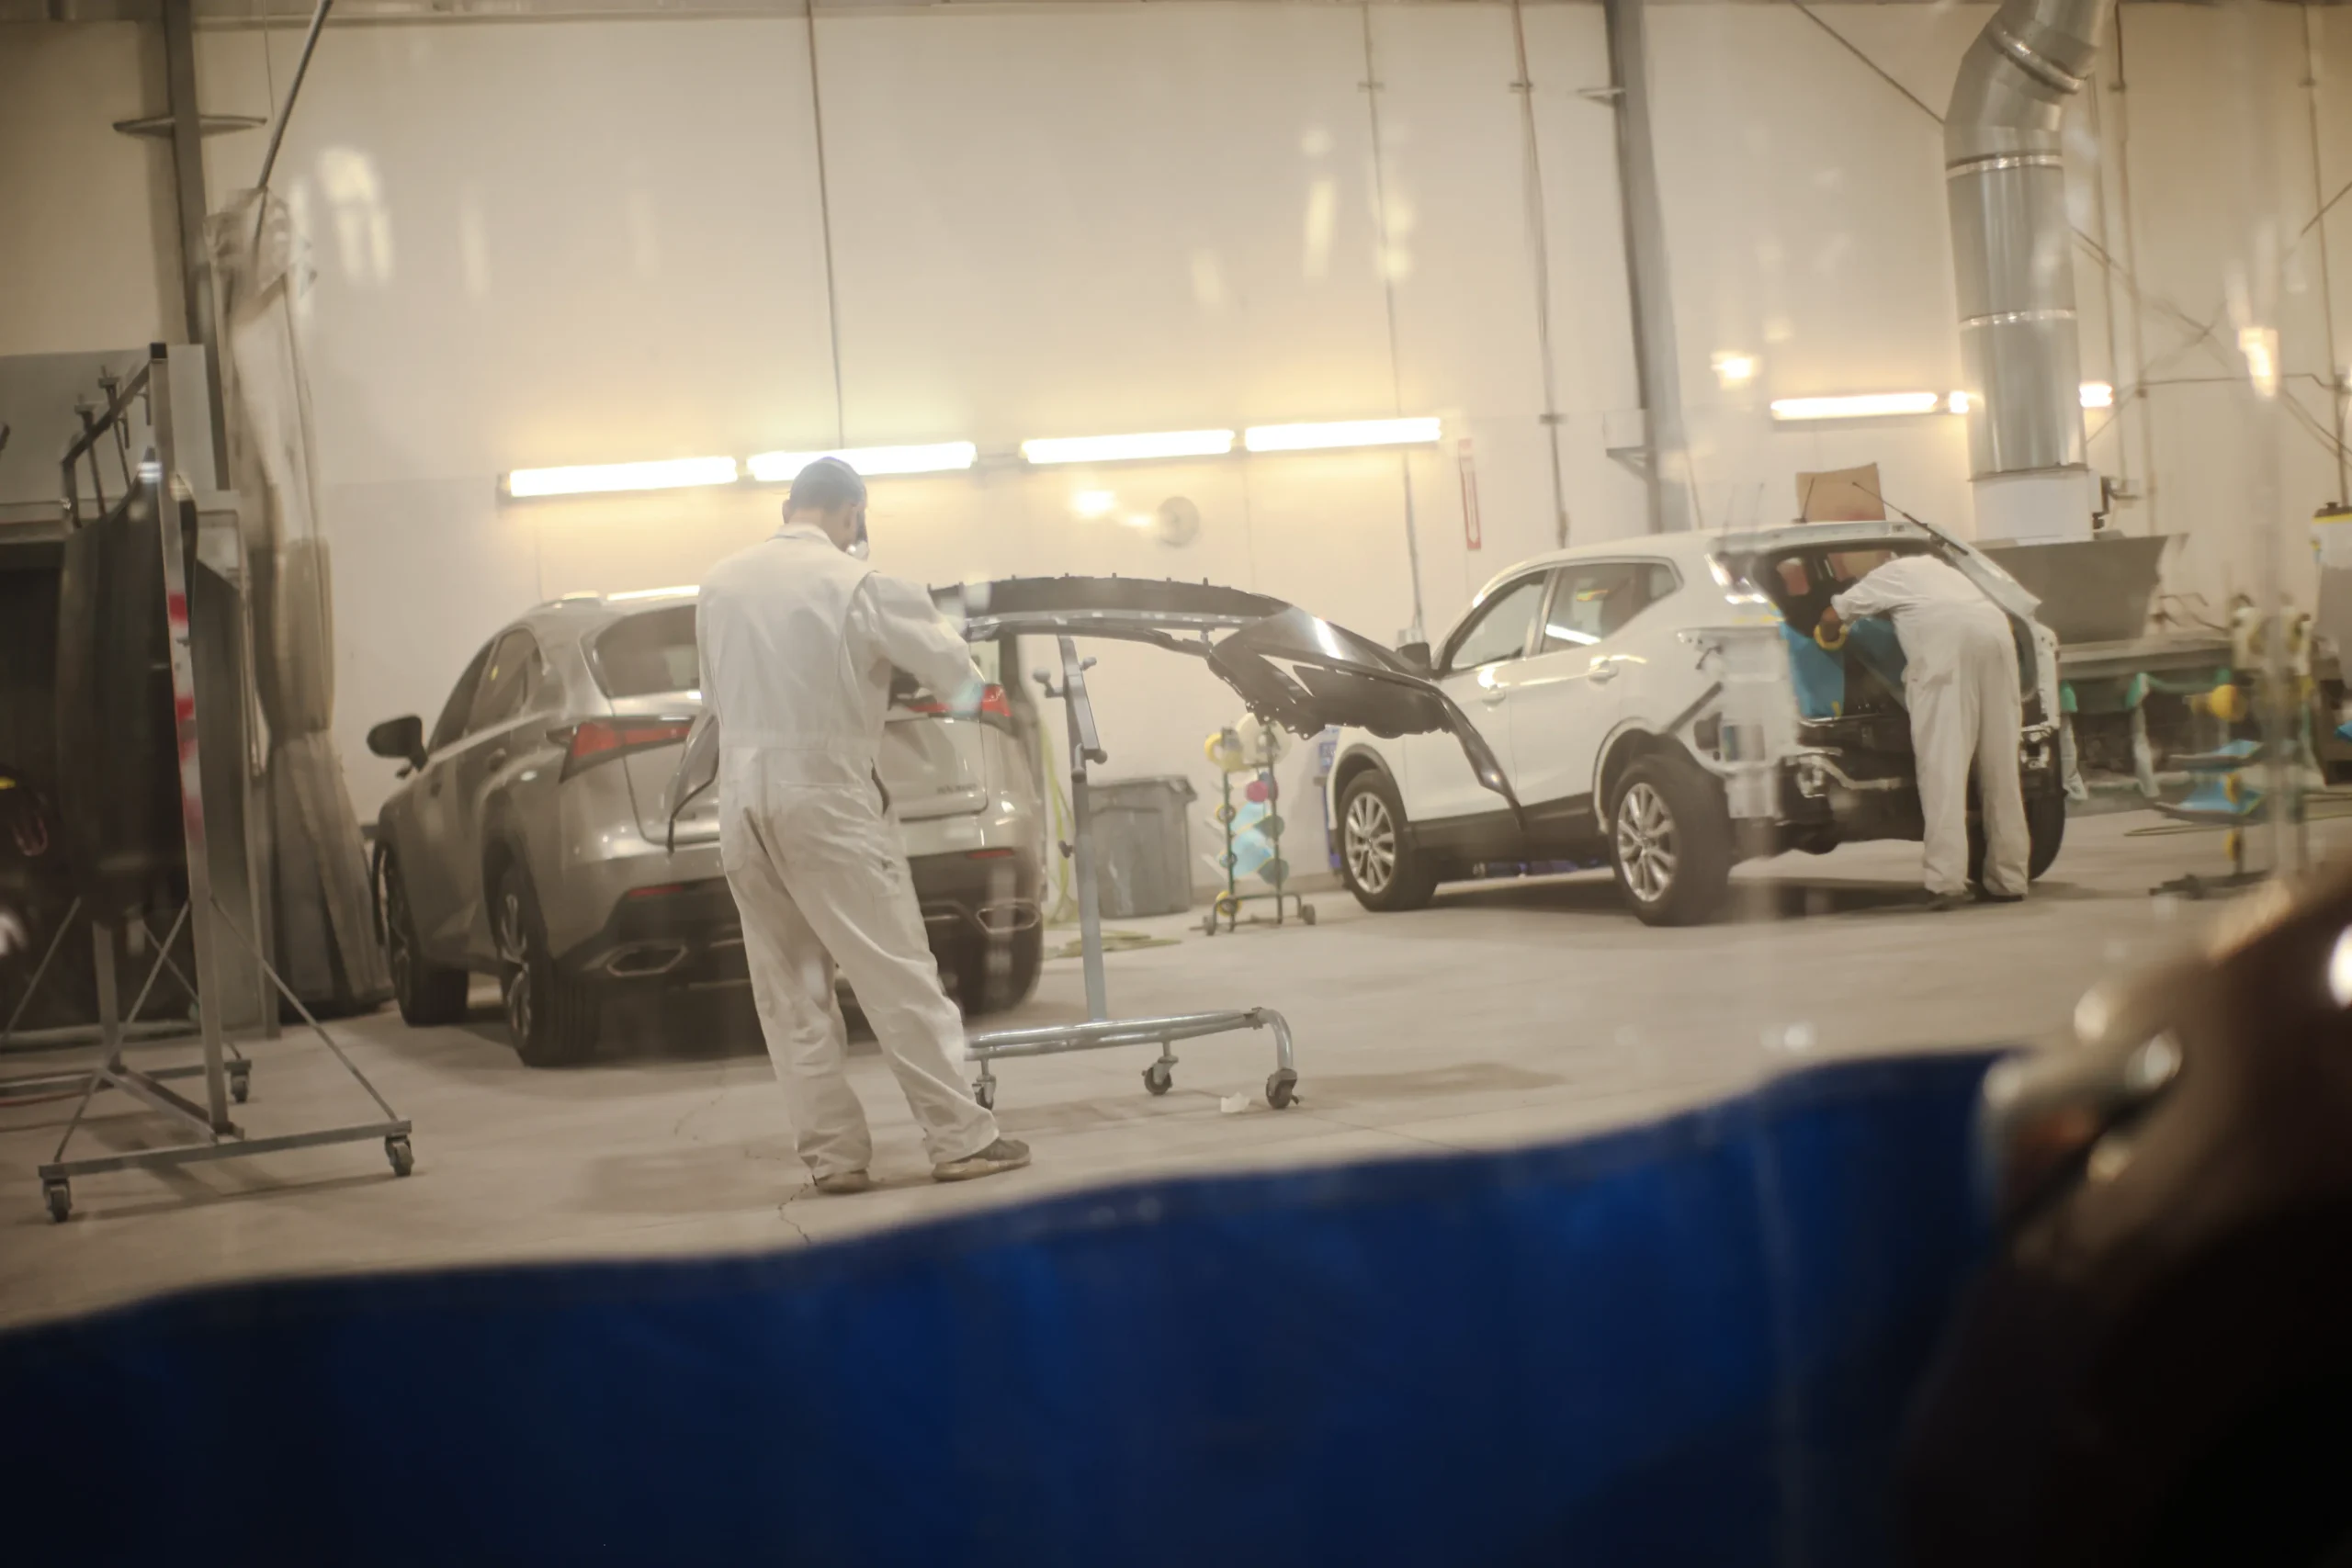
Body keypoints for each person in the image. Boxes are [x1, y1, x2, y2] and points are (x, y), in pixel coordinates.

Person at [696, 457, 1029, 1193]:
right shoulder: (860, 585)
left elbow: (716, 701)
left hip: (741, 803)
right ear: (853, 513)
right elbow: (959, 680)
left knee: (790, 991)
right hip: (827, 799)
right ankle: (961, 1137)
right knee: (895, 972)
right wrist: (988, 697)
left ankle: (834, 1158)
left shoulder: (718, 585)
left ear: (788, 507)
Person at [1816, 551, 2030, 910]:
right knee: (2001, 768)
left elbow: (1831, 616)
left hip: (1947, 649)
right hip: (1997, 639)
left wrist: (1828, 640)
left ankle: (1945, 883)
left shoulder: (1889, 575)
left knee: (1944, 769)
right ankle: (2009, 879)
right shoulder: (1945, 571)